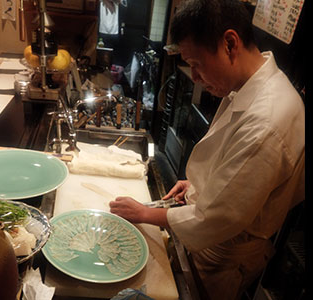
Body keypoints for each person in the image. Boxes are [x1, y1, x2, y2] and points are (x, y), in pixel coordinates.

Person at [109, 0, 305, 299]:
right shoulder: (255, 86)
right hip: (215, 238)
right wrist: (200, 186)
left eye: (197, 64)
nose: (196, 77)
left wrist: (144, 214)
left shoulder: (267, 120)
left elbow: (217, 219)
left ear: (229, 43)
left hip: (222, 255)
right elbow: (240, 176)